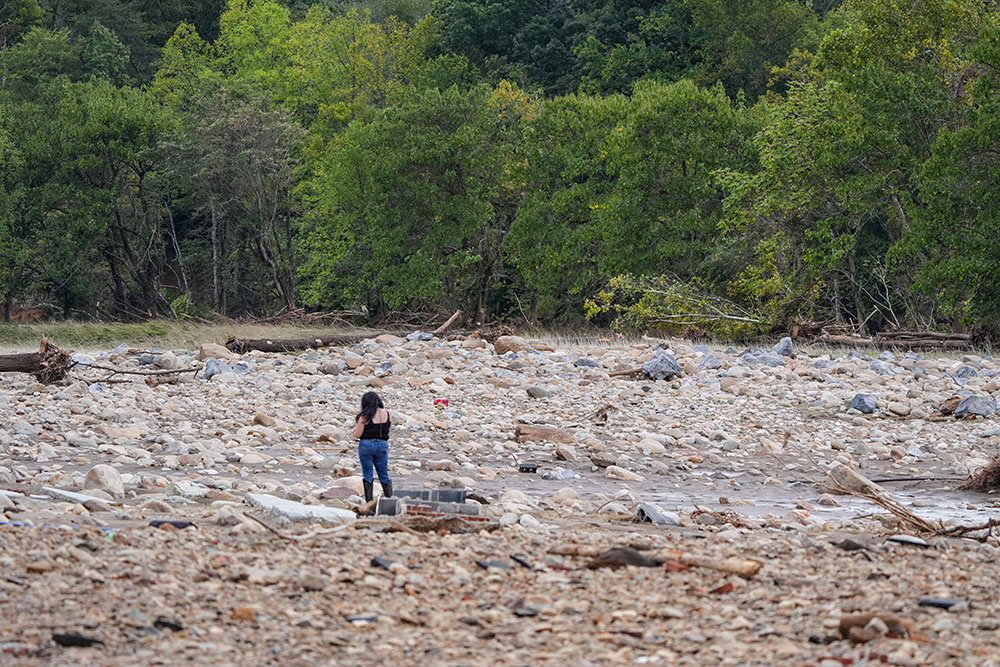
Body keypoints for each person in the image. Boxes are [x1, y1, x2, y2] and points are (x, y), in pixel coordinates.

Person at [352, 391, 392, 503]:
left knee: (368, 473)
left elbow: (357, 435)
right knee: (383, 473)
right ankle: (390, 499)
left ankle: (369, 502)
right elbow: (388, 429)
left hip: (367, 445)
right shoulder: (387, 414)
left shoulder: (364, 416)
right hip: (382, 445)